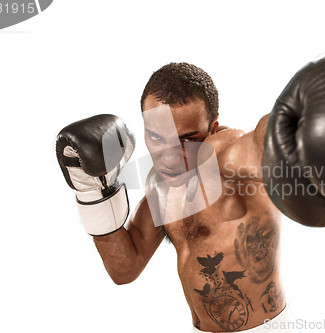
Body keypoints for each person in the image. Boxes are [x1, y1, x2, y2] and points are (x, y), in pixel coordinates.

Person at [57, 62, 294, 332]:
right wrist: (92, 194)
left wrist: (299, 113)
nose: (168, 157)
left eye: (187, 140)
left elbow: (262, 145)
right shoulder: (161, 184)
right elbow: (125, 269)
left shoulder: (224, 155)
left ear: (212, 127)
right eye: (157, 138)